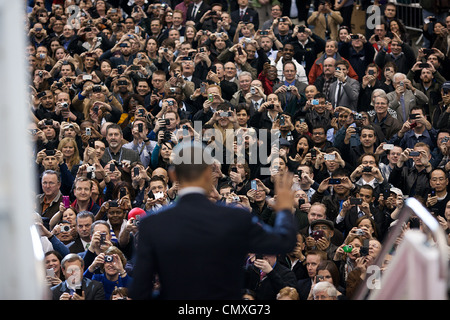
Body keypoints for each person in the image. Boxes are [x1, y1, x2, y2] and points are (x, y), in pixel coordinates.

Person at [129, 142, 297, 299]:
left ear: (172, 175)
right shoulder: (235, 218)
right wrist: (284, 209)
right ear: (209, 174)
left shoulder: (152, 224)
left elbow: (139, 291)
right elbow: (285, 241)